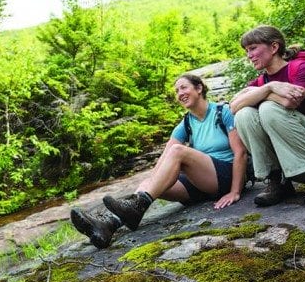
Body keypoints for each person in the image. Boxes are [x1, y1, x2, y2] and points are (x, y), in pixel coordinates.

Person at [70, 74, 248, 249]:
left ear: (199, 88)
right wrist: (150, 183)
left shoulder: (222, 111)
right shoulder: (185, 123)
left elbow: (240, 153)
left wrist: (235, 191)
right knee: (149, 181)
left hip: (225, 175)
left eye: (184, 87)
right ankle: (108, 225)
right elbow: (164, 158)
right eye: (177, 91)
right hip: (202, 182)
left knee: (178, 151)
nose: (180, 93)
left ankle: (137, 205)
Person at [229, 25, 305, 207]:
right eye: (247, 51)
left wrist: (259, 93)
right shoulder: (262, 81)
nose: (249, 55)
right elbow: (233, 107)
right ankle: (278, 181)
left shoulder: (303, 68)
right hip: (292, 168)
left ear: (274, 47)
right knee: (244, 114)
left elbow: (289, 102)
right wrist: (268, 88)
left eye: (253, 48)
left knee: (269, 108)